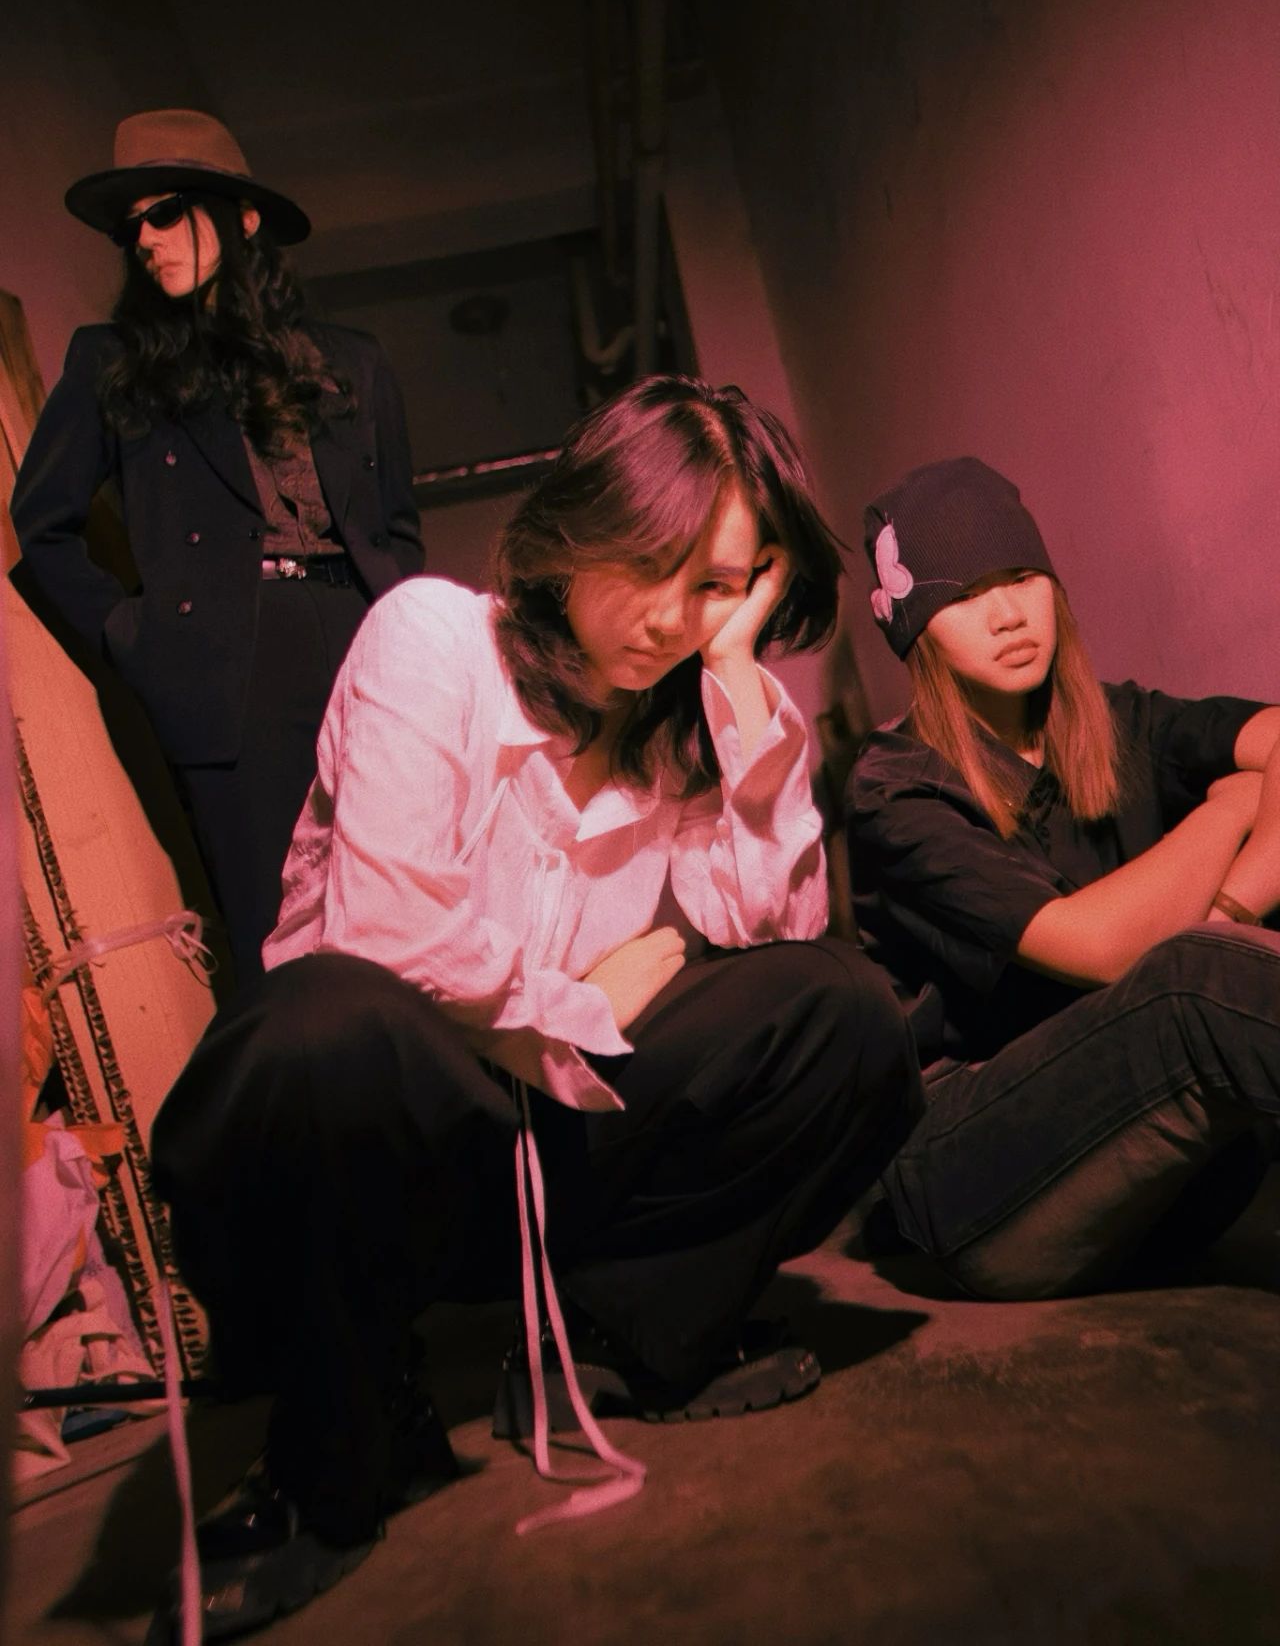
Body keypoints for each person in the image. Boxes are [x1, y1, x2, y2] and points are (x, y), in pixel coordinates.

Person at [147, 373, 922, 1640]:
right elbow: (387, 934)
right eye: (649, 563)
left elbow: (764, 934)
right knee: (324, 1022)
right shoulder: (432, 637)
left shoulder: (688, 716)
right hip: (374, 1158)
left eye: (715, 584)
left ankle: (610, 1341)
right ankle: (349, 1425)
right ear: (576, 526)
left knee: (844, 1012)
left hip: (555, 1150)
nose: (669, 617)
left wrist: (738, 685)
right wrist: (573, 1000)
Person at [845, 454, 1280, 1303]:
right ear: (917, 630)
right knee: (1190, 977)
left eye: (1020, 577)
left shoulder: (1115, 721)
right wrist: (1230, 811)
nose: (1007, 613)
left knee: (1217, 944)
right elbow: (1097, 946)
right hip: (985, 1184)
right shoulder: (894, 789)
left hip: (1162, 1181)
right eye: (965, 595)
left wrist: (1232, 904)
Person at [10, 110, 423, 982]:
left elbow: (395, 529)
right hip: (232, 662)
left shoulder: (353, 361)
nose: (144, 240)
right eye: (131, 228)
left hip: (367, 644)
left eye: (165, 213)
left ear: (243, 218)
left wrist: (412, 638)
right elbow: (41, 524)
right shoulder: (115, 361)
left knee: (409, 905)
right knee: (280, 937)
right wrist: (132, 634)